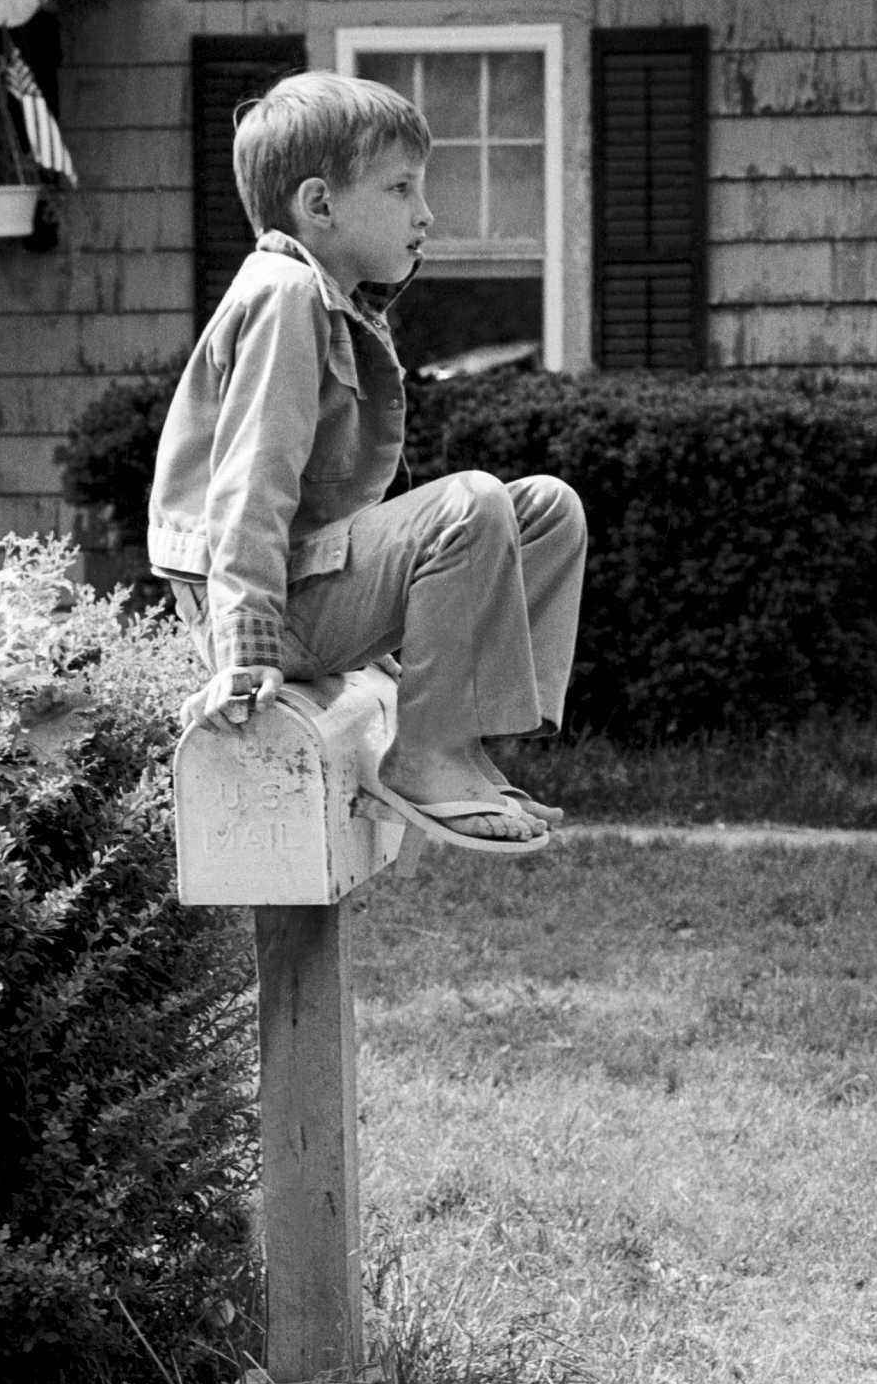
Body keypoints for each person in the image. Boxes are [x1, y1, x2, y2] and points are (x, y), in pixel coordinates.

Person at [148, 70, 586, 854]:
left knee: (547, 507)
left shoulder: (336, 299)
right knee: (470, 500)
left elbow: (353, 510)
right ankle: (424, 758)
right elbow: (252, 482)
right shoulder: (284, 296)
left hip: (312, 588)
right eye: (399, 189)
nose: (425, 214)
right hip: (268, 616)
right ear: (319, 205)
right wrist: (245, 648)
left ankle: (462, 747)